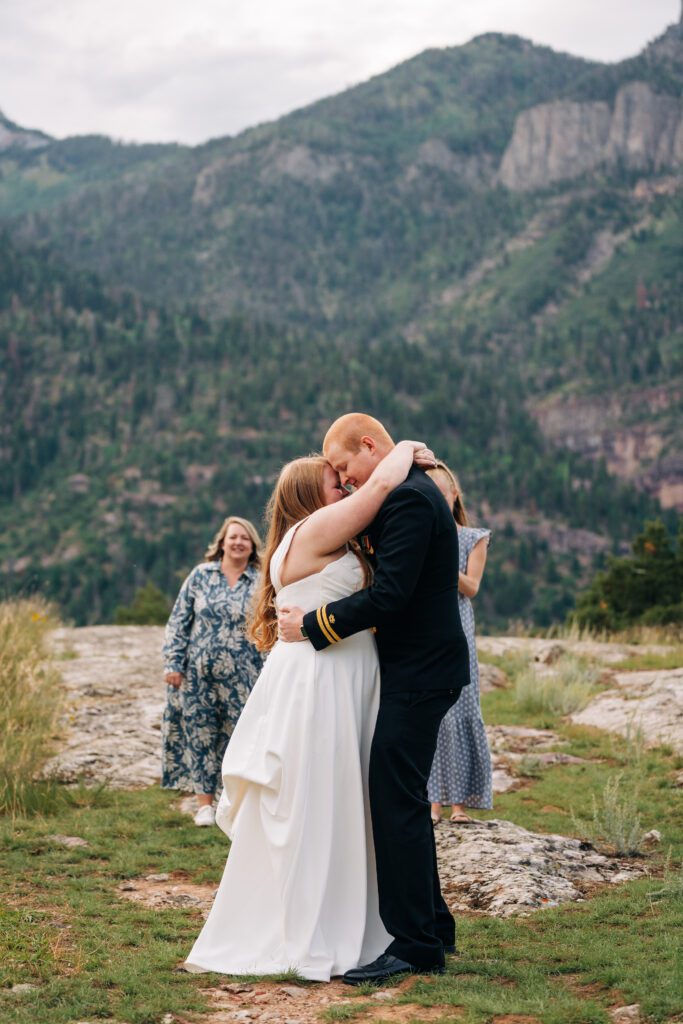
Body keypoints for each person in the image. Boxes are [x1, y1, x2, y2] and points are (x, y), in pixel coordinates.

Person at [185, 439, 434, 981]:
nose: (343, 481)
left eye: (342, 472)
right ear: (307, 492)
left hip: (344, 671)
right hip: (324, 678)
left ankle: (364, 917)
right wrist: (405, 449)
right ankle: (319, 924)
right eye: (333, 477)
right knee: (322, 795)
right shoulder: (312, 531)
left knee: (347, 796)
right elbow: (382, 486)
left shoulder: (321, 536)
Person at [279, 414, 471, 986]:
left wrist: (315, 624)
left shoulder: (410, 499)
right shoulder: (410, 490)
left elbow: (389, 596)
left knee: (396, 800)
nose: (345, 478)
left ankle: (415, 945)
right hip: (418, 670)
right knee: (402, 795)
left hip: (420, 673)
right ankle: (434, 925)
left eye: (343, 467)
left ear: (369, 446)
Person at [162, 516, 264, 826]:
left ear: (252, 546)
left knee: (242, 737)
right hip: (198, 674)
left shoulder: (261, 580)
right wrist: (173, 663)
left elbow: (268, 626)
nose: (238, 543)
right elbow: (179, 622)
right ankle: (203, 805)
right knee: (200, 734)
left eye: (245, 538)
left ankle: (234, 802)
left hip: (246, 675)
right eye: (233, 537)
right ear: (221, 543)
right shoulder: (200, 576)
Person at [426, 462, 493, 825]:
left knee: (462, 707)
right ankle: (432, 804)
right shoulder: (418, 535)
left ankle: (459, 806)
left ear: (454, 496)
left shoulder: (473, 537)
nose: (438, 499)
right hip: (425, 628)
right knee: (432, 714)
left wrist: (440, 564)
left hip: (458, 626)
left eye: (443, 492)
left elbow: (471, 587)